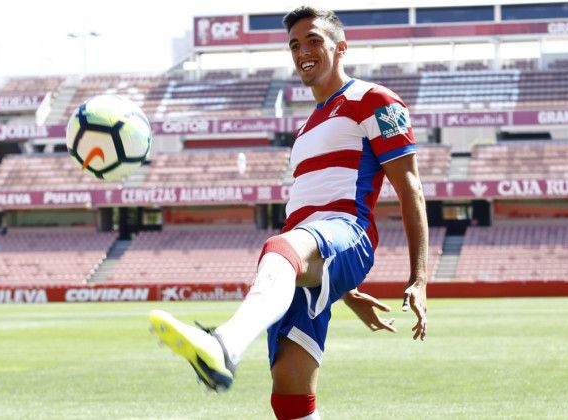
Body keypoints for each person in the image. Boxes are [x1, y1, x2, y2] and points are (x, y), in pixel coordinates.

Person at [149, 6, 428, 419]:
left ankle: (223, 344)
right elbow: (310, 209)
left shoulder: (374, 100)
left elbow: (410, 186)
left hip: (345, 232)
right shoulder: (306, 128)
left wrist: (419, 278)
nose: (303, 52)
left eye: (314, 40)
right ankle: (231, 348)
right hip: (308, 258)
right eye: (295, 45)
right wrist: (344, 291)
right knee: (290, 394)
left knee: (278, 245)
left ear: (341, 47)